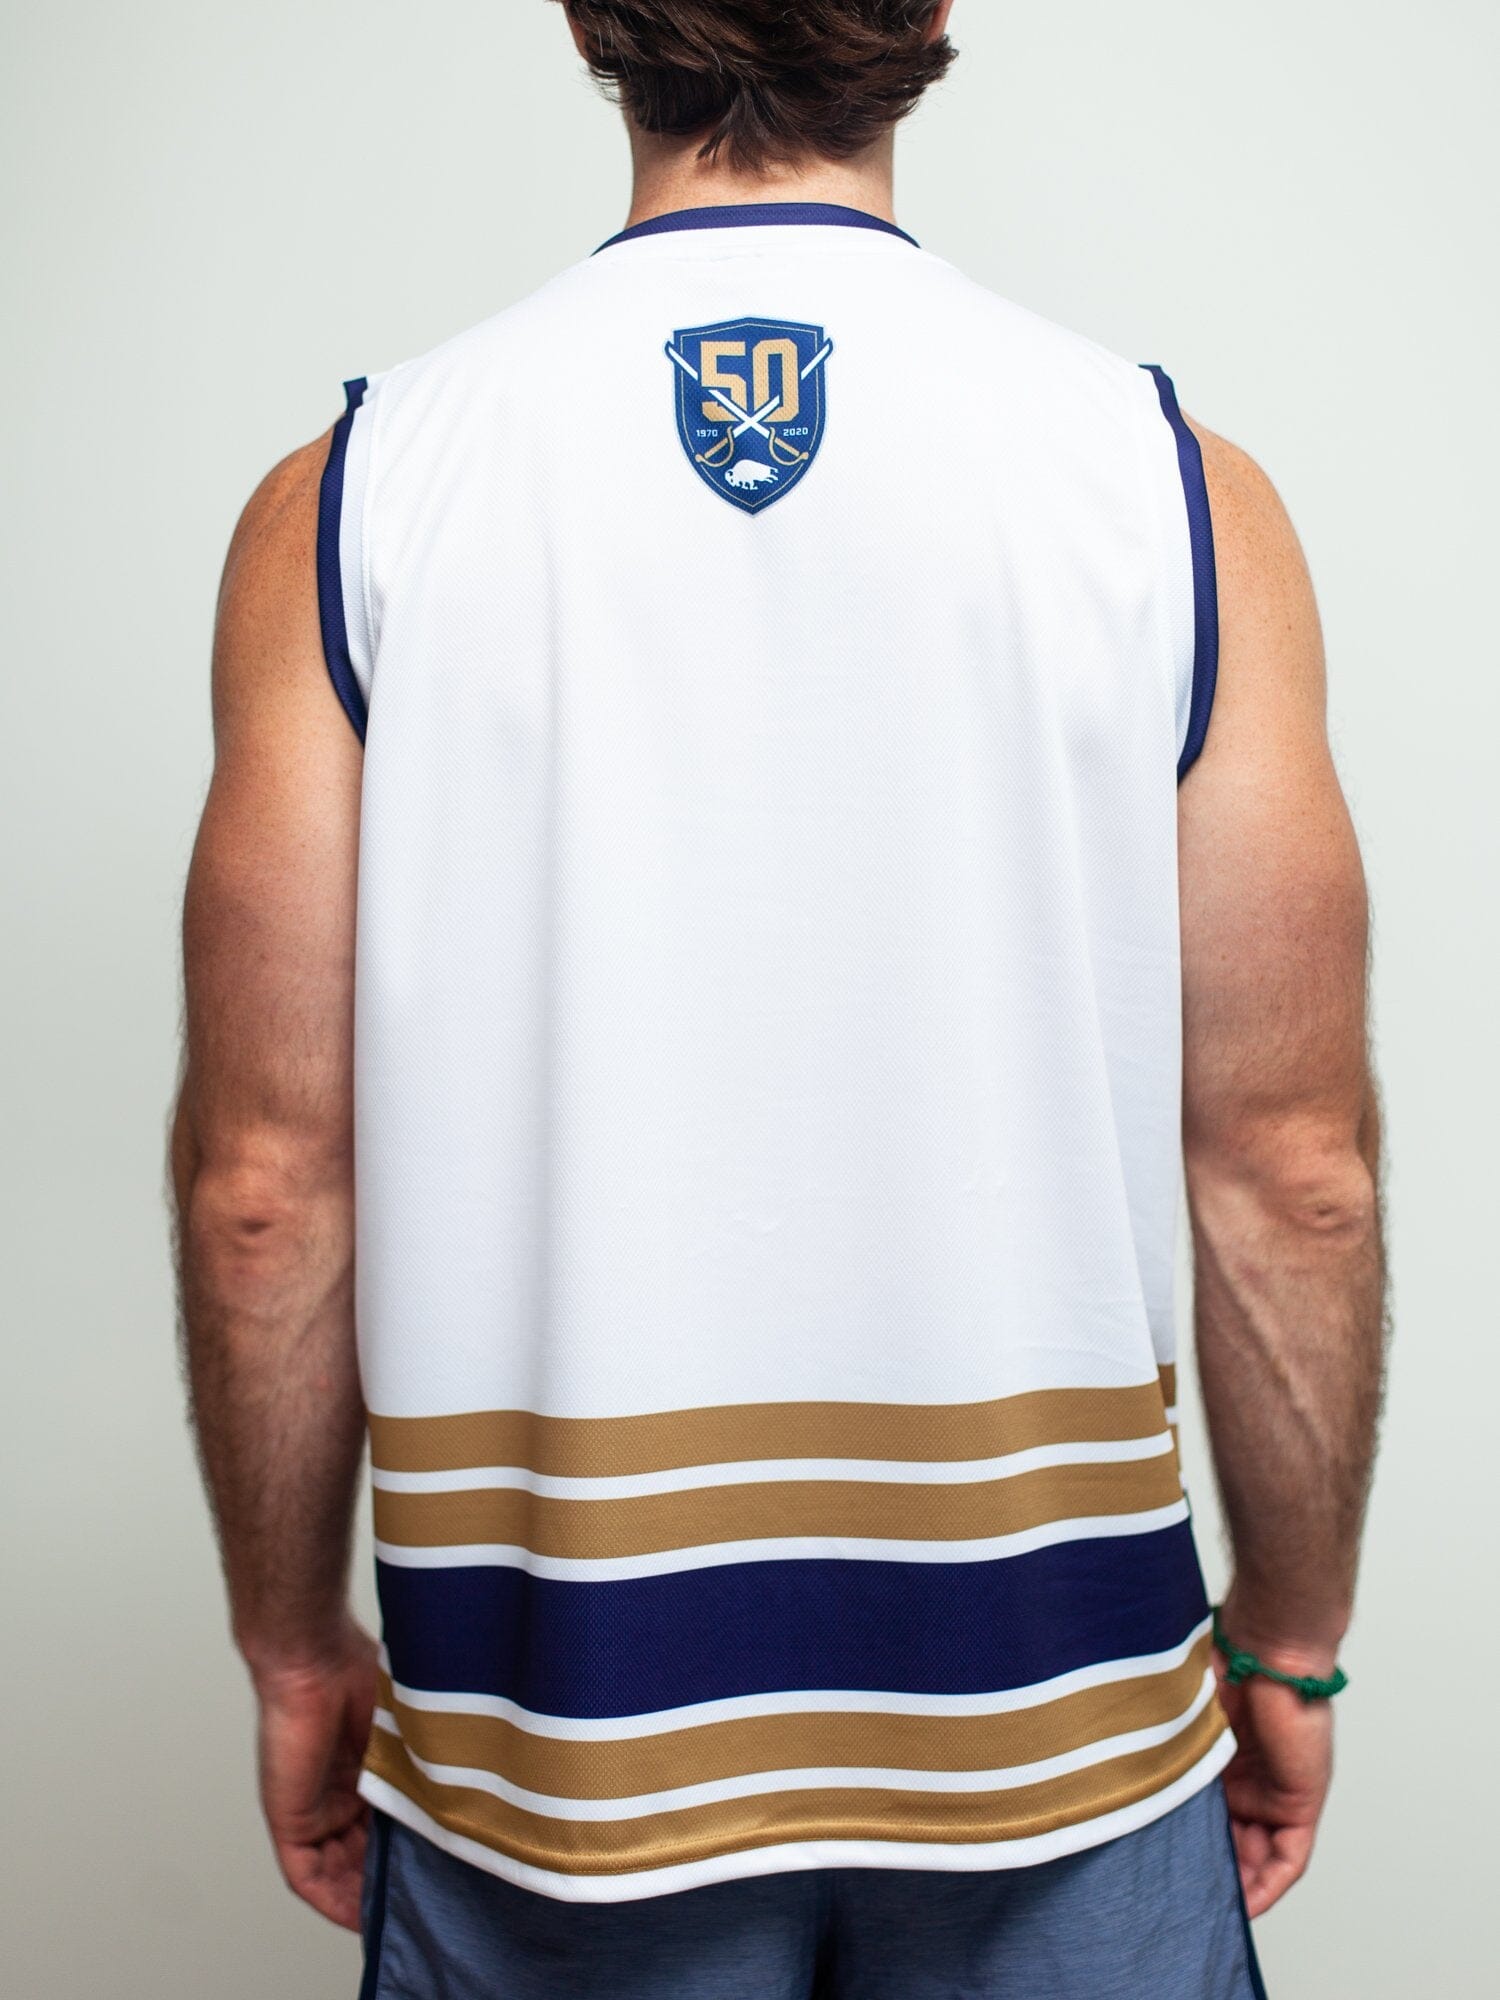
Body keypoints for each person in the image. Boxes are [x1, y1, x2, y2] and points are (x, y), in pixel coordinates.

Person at [170, 4, 1387, 1994]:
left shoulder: (356, 499)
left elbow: (265, 1186)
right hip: (1059, 1714)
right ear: (931, 12)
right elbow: (1292, 1168)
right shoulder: (1174, 492)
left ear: (591, 18)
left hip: (559, 1730)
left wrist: (296, 1644)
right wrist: (1295, 1637)